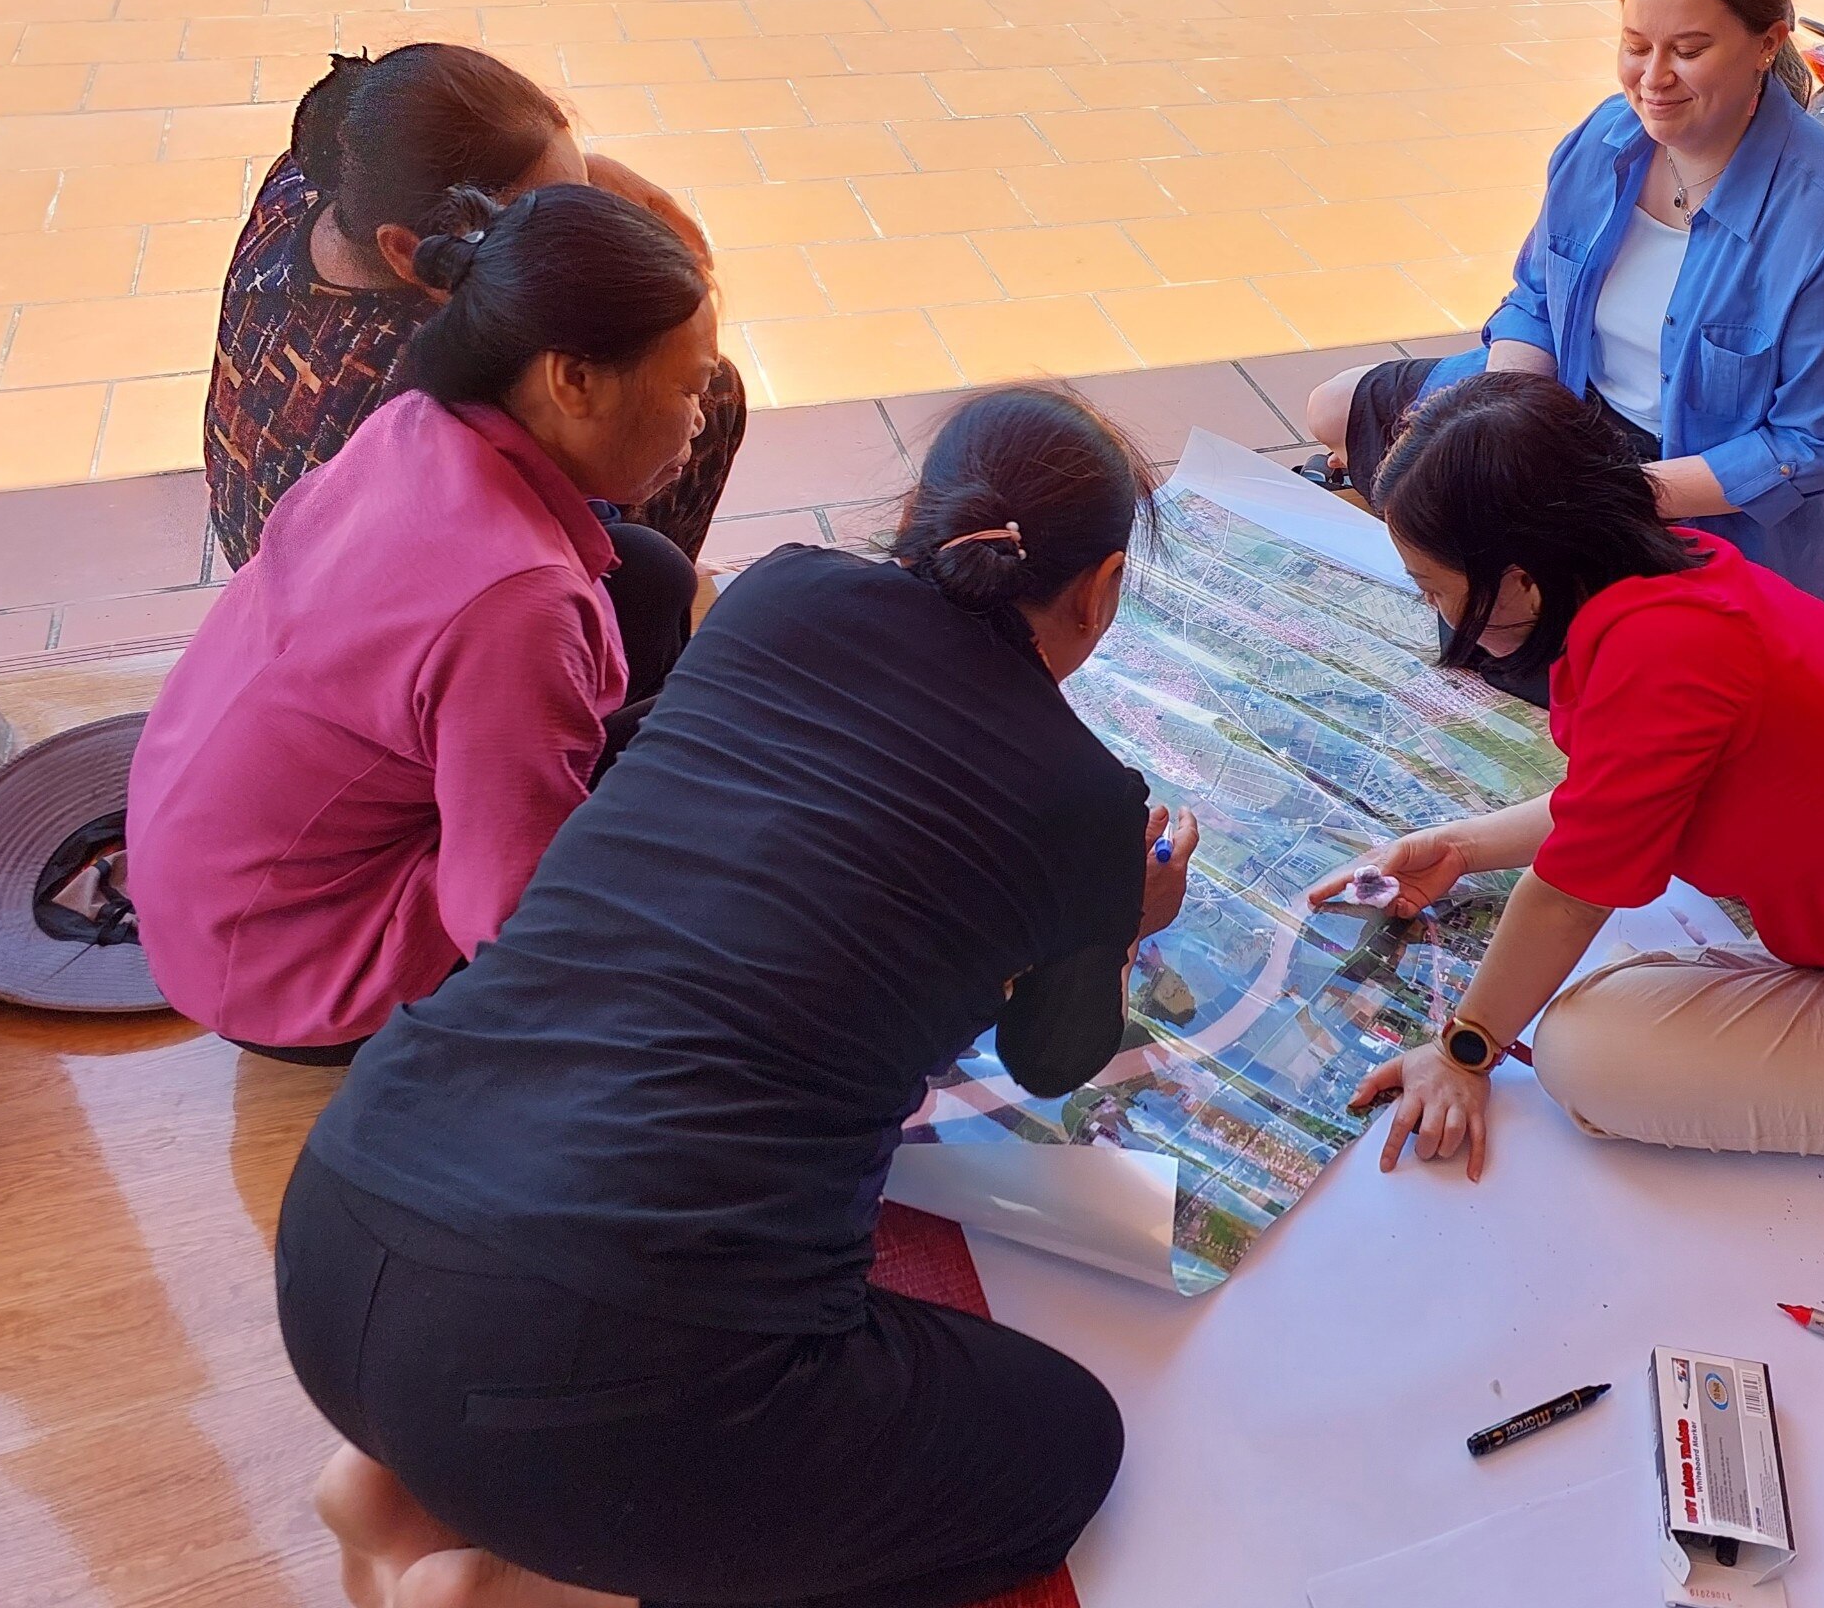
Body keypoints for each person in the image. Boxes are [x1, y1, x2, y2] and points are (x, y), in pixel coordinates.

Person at [271, 385, 1198, 1608]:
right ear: (1102, 588)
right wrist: (1123, 920)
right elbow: (1048, 1059)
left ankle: (390, 1488)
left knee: (513, 1369)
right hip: (596, 1360)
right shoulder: (1088, 802)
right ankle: (521, 1591)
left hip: (345, 1227)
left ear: (920, 515)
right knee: (1064, 1453)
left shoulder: (776, 595)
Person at [1316, 373, 1824, 1178]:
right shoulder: (1674, 568)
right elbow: (1616, 799)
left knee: (1580, 1054)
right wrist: (1462, 844)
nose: (1435, 612)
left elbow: (1566, 900)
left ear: (1521, 575)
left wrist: (1465, 1048)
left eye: (1436, 590)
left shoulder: (1657, 658)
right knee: (1608, 991)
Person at [129, 184, 719, 1064]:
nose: (700, 418)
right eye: (691, 388)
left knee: (650, 577)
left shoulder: (416, 425)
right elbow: (510, 916)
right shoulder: (517, 604)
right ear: (574, 380)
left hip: (200, 884)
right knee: (704, 774)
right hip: (296, 975)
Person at [1302, 0, 1824, 635]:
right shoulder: (1605, 138)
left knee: (1546, 618)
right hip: (1567, 408)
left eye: (1688, 49)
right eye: (1635, 45)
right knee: (1334, 409)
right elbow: (1535, 301)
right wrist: (1504, 421)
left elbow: (1808, 446)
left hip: (1680, 478)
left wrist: (1610, 494)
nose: (1653, 79)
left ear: (1766, 43)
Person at [209, 43, 747, 569]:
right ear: (404, 249)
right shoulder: (421, 383)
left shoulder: (326, 175)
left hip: (254, 557)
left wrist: (594, 172)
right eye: (540, 214)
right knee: (700, 394)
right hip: (353, 601)